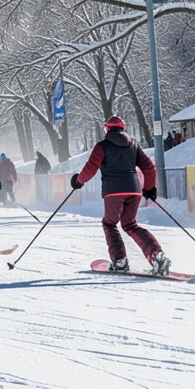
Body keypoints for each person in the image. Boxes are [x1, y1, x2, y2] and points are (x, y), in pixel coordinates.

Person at [72, 116, 169, 275]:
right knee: (131, 225)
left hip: (113, 190)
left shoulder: (102, 146)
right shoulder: (134, 145)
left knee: (110, 224)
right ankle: (157, 256)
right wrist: (149, 188)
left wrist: (78, 181)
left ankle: (120, 262)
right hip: (134, 189)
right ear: (122, 128)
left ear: (107, 129)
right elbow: (150, 168)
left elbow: (90, 168)